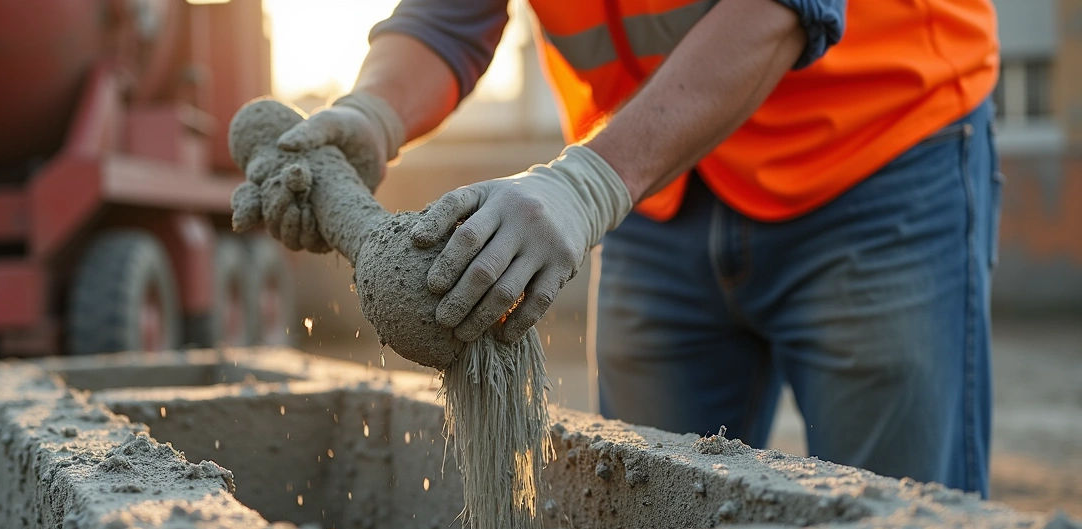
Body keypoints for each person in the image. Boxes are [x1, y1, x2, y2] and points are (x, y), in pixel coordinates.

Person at [268, 0, 1001, 496]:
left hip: (873, 149)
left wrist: (588, 185)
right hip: (657, 181)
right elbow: (449, 15)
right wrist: (374, 112)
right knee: (647, 519)